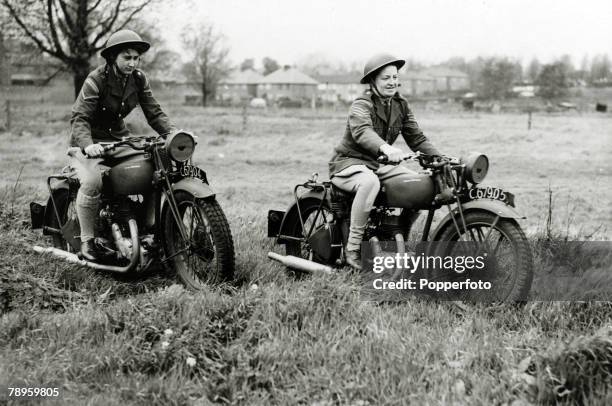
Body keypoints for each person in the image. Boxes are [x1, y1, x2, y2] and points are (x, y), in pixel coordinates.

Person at [69, 29, 176, 261]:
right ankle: (87, 242)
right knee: (93, 181)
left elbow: (153, 111)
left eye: (136, 57)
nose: (132, 62)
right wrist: (88, 145)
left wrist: (173, 133)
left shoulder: (138, 79)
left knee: (152, 171)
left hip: (118, 140)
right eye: (126, 57)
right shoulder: (95, 80)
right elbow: (80, 119)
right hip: (88, 141)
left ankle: (145, 229)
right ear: (112, 58)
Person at [329, 53, 441, 270]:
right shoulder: (361, 105)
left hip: (377, 165)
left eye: (395, 77)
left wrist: (440, 158)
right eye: (385, 78)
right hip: (348, 164)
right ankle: (352, 249)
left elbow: (416, 137)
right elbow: (362, 131)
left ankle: (397, 236)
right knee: (369, 183)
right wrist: (386, 148)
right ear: (373, 81)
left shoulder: (400, 105)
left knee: (421, 185)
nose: (392, 82)